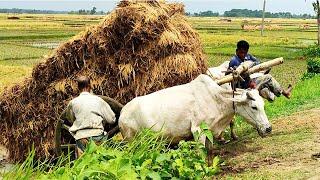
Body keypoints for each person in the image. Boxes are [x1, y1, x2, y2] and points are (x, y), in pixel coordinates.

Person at [64, 76, 116, 157]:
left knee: (83, 164)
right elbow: (111, 119)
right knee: (99, 161)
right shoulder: (98, 100)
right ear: (89, 86)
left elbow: (71, 119)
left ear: (78, 88)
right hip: (97, 136)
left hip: (81, 138)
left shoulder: (73, 103)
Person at [228, 40, 292, 99]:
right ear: (237, 51)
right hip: (244, 83)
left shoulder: (248, 56)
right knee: (268, 77)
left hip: (252, 76)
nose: (243, 55)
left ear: (247, 52)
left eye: (245, 53)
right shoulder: (234, 61)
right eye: (241, 52)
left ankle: (268, 91)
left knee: (267, 69)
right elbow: (229, 75)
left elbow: (258, 62)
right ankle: (285, 92)